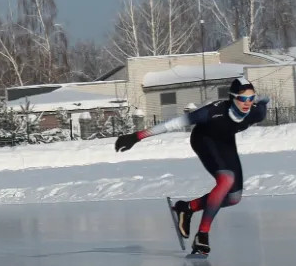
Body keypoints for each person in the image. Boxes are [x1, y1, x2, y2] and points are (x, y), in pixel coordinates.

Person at [114, 77, 268, 256]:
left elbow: (263, 103)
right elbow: (173, 124)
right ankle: (202, 235)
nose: (247, 103)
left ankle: (186, 208)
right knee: (226, 180)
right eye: (242, 99)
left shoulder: (258, 112)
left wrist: (264, 101)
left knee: (233, 198)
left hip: (225, 142)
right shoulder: (212, 112)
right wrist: (136, 136)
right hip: (204, 139)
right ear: (232, 98)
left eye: (251, 99)